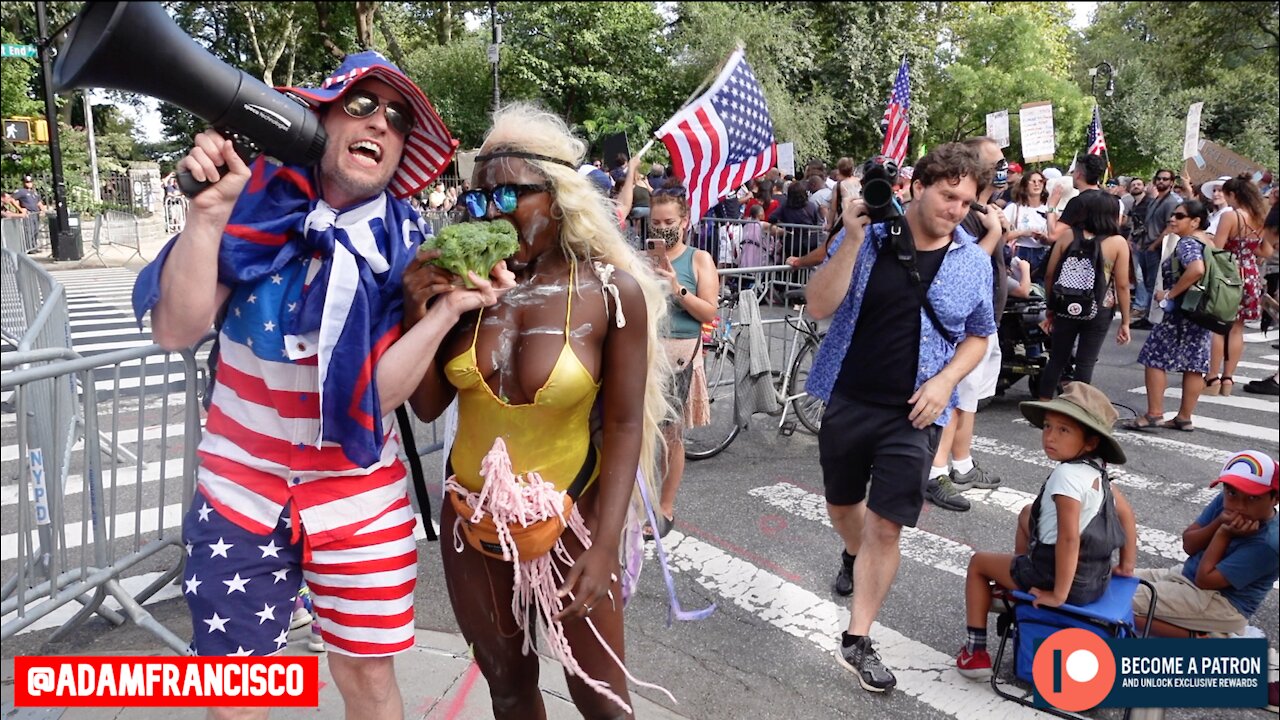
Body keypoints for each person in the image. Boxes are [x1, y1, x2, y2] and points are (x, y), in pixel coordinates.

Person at [132, 51, 464, 720]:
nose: (381, 122)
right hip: (238, 495)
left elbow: (383, 394)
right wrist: (206, 219)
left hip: (359, 498)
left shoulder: (411, 249)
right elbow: (174, 330)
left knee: (367, 681)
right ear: (320, 118)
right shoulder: (251, 203)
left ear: (403, 152)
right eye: (361, 105)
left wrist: (449, 309)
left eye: (398, 118)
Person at [402, 102, 671, 719]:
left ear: (558, 197)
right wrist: (419, 308)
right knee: (509, 691)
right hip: (472, 522)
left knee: (602, 700)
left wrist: (604, 546)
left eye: (510, 195)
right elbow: (425, 406)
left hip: (575, 521)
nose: (491, 212)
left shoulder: (611, 291)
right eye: (478, 199)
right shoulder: (465, 288)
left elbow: (627, 423)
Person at [804, 143, 998, 692]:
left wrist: (944, 383)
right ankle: (851, 550)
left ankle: (858, 637)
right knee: (844, 507)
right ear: (918, 186)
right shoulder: (867, 235)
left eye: (967, 200)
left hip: (916, 414)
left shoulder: (971, 261)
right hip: (850, 396)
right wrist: (852, 239)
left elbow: (979, 335)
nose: (957, 208)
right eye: (948, 194)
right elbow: (819, 305)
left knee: (886, 525)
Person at [956, 382, 1137, 679]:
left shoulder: (1066, 477)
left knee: (978, 563)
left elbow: (1068, 539)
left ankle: (975, 652)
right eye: (1048, 427)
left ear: (1090, 442)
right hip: (1096, 577)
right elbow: (1127, 516)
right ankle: (1016, 582)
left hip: (1062, 580)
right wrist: (1126, 565)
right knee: (1028, 513)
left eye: (1063, 430)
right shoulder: (1099, 472)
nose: (1050, 437)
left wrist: (1058, 594)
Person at [924, 136, 1009, 514]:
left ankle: (961, 463)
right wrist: (994, 233)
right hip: (958, 327)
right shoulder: (969, 214)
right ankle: (936, 470)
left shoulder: (984, 208)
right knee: (955, 399)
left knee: (969, 400)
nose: (1002, 169)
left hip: (982, 320)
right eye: (996, 162)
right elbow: (962, 268)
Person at [1130, 449, 1277, 639]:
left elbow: (1205, 581)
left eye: (1252, 498)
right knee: (1106, 579)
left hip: (1221, 603)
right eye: (1232, 492)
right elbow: (1189, 545)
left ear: (1275, 498)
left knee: (1117, 603)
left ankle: (1210, 640)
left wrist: (1224, 533)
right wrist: (1218, 522)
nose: (1239, 506)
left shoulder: (1269, 543)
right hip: (1185, 574)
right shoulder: (1225, 501)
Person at [645, 192, 719, 539]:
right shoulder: (644, 259)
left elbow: (709, 312)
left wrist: (677, 288)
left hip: (680, 355)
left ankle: (665, 506)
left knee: (671, 436)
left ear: (685, 221)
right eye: (656, 223)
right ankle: (639, 502)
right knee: (641, 433)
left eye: (669, 223)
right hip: (645, 353)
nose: (662, 229)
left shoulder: (699, 259)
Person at [1126, 200, 1214, 431]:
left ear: (1195, 221)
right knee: (1194, 364)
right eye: (1173, 215)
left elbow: (1196, 269)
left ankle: (1154, 413)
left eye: (1180, 216)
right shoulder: (1208, 241)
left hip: (1181, 313)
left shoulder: (1187, 243)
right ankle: (1184, 417)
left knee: (1153, 357)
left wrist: (1169, 294)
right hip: (1200, 311)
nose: (1173, 219)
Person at [1037, 189, 1132, 398]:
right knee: (1085, 362)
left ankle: (1043, 401)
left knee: (1058, 358)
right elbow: (1122, 285)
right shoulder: (1118, 243)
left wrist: (1051, 306)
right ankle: (1077, 407)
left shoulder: (1068, 235)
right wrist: (1125, 321)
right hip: (1099, 307)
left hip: (1065, 305)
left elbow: (1050, 274)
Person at [1203, 174, 1276, 397]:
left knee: (1217, 327)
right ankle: (1228, 379)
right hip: (1250, 274)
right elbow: (1266, 251)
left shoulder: (1231, 216)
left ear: (1233, 195)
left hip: (1228, 274)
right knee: (1237, 329)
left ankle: (1212, 378)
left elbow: (1217, 248)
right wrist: (1247, 250)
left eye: (1226, 195)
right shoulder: (1259, 217)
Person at [1133, 169, 1182, 330]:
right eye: (1159, 178)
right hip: (1146, 244)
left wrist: (1155, 245)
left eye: (1165, 179)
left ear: (1172, 182)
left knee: (1154, 283)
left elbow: (1170, 226)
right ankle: (1147, 315)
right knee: (1147, 282)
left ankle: (1153, 317)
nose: (1161, 181)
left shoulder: (1171, 202)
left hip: (1159, 248)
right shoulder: (1155, 199)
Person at [1004, 171, 1055, 282]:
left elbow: (1055, 237)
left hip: (1041, 253)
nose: (1037, 184)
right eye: (1033, 181)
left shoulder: (1048, 210)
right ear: (1025, 185)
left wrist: (1044, 238)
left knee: (1039, 290)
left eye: (1040, 181)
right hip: (1019, 252)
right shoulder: (1014, 208)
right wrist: (1023, 232)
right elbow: (1002, 236)